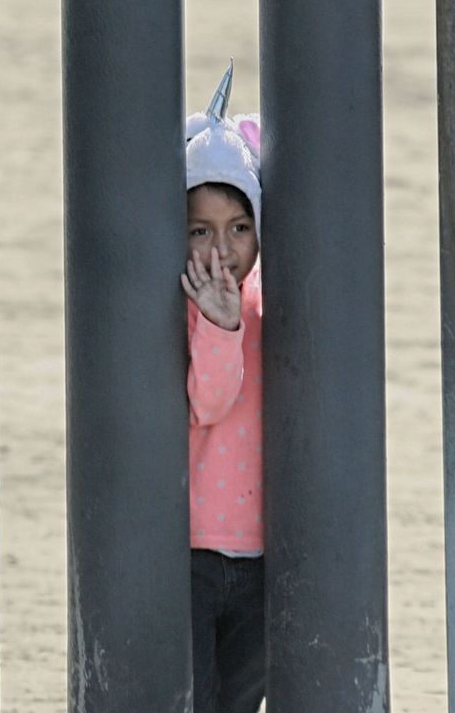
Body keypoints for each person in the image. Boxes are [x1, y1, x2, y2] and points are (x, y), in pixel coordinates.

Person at [181, 66, 267, 713]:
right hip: (191, 555)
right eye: (200, 230)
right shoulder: (192, 307)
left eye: (239, 227)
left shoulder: (266, 305)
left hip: (264, 556)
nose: (222, 250)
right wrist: (219, 325)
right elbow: (209, 402)